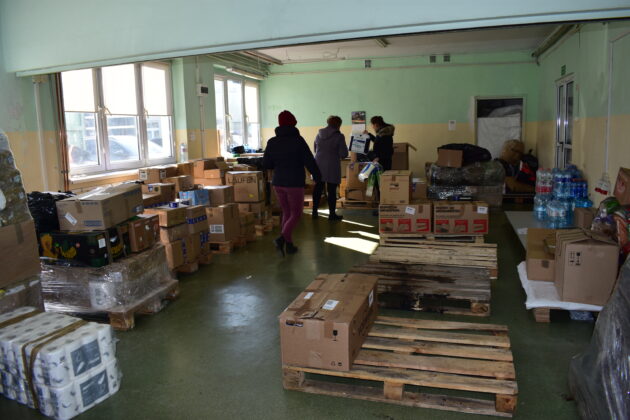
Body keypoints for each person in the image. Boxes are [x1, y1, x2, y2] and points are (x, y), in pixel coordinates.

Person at [263, 110, 321, 257]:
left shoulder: (272, 142)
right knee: (296, 214)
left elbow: (267, 164)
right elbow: (309, 160)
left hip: (278, 182)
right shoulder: (298, 140)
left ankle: (289, 246)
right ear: (293, 123)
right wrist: (317, 176)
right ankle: (281, 239)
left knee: (287, 213)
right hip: (294, 182)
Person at [312, 115, 348, 221]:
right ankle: (332, 215)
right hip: (332, 165)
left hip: (318, 164)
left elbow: (315, 149)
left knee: (318, 188)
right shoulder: (339, 136)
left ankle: (314, 212)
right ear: (338, 125)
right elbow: (344, 154)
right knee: (331, 190)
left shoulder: (318, 134)